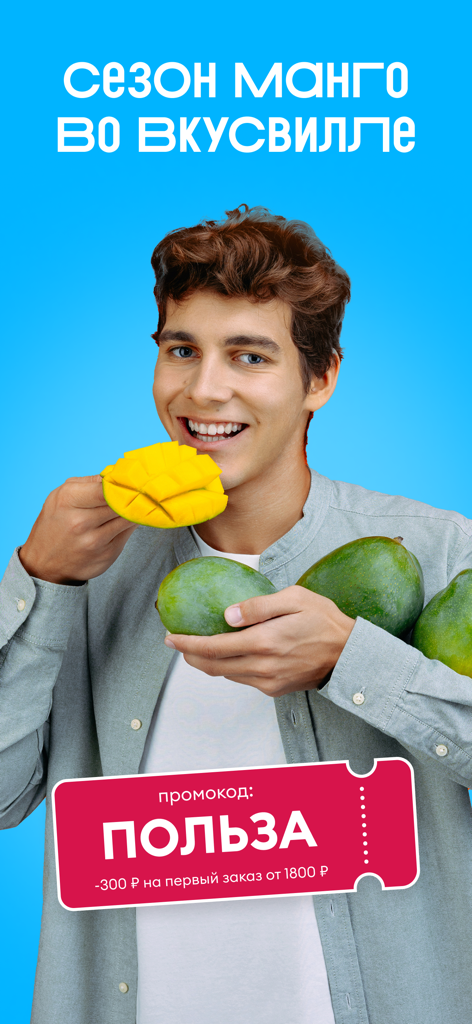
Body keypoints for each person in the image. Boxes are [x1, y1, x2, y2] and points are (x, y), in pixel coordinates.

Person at [1, 205, 472, 1024]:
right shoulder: (89, 569)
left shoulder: (438, 553)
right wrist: (39, 585)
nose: (202, 389)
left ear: (319, 379)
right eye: (181, 350)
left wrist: (354, 663)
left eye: (248, 355)